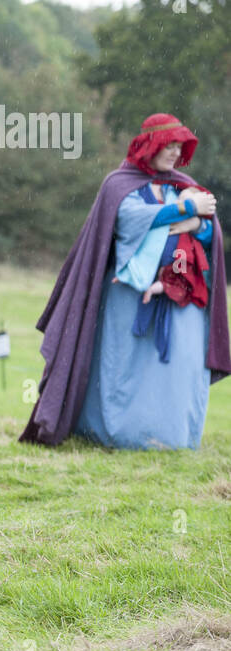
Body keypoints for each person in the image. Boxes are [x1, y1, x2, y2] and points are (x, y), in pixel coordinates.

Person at [21, 113, 230, 448]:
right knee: (125, 367)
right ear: (150, 146)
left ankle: (171, 437)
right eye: (169, 146)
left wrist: (197, 225)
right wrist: (184, 209)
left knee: (176, 368)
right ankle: (121, 433)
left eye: (180, 147)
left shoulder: (183, 184)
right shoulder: (118, 184)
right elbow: (128, 220)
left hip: (180, 298)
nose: (175, 153)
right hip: (128, 297)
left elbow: (210, 233)